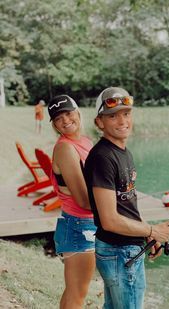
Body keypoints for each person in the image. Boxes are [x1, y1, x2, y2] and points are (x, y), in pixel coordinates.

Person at [84, 87, 169, 309]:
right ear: (99, 123)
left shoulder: (123, 152)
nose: (122, 120)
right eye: (113, 115)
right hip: (119, 252)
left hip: (126, 248)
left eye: (126, 114)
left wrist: (146, 237)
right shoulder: (103, 157)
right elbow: (110, 220)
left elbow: (127, 207)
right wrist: (152, 231)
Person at [47, 94, 96, 309]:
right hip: (79, 225)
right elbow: (84, 200)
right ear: (55, 125)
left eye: (68, 113)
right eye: (58, 118)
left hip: (85, 224)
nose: (65, 120)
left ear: (78, 112)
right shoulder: (65, 148)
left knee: (73, 292)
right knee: (77, 296)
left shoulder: (85, 141)